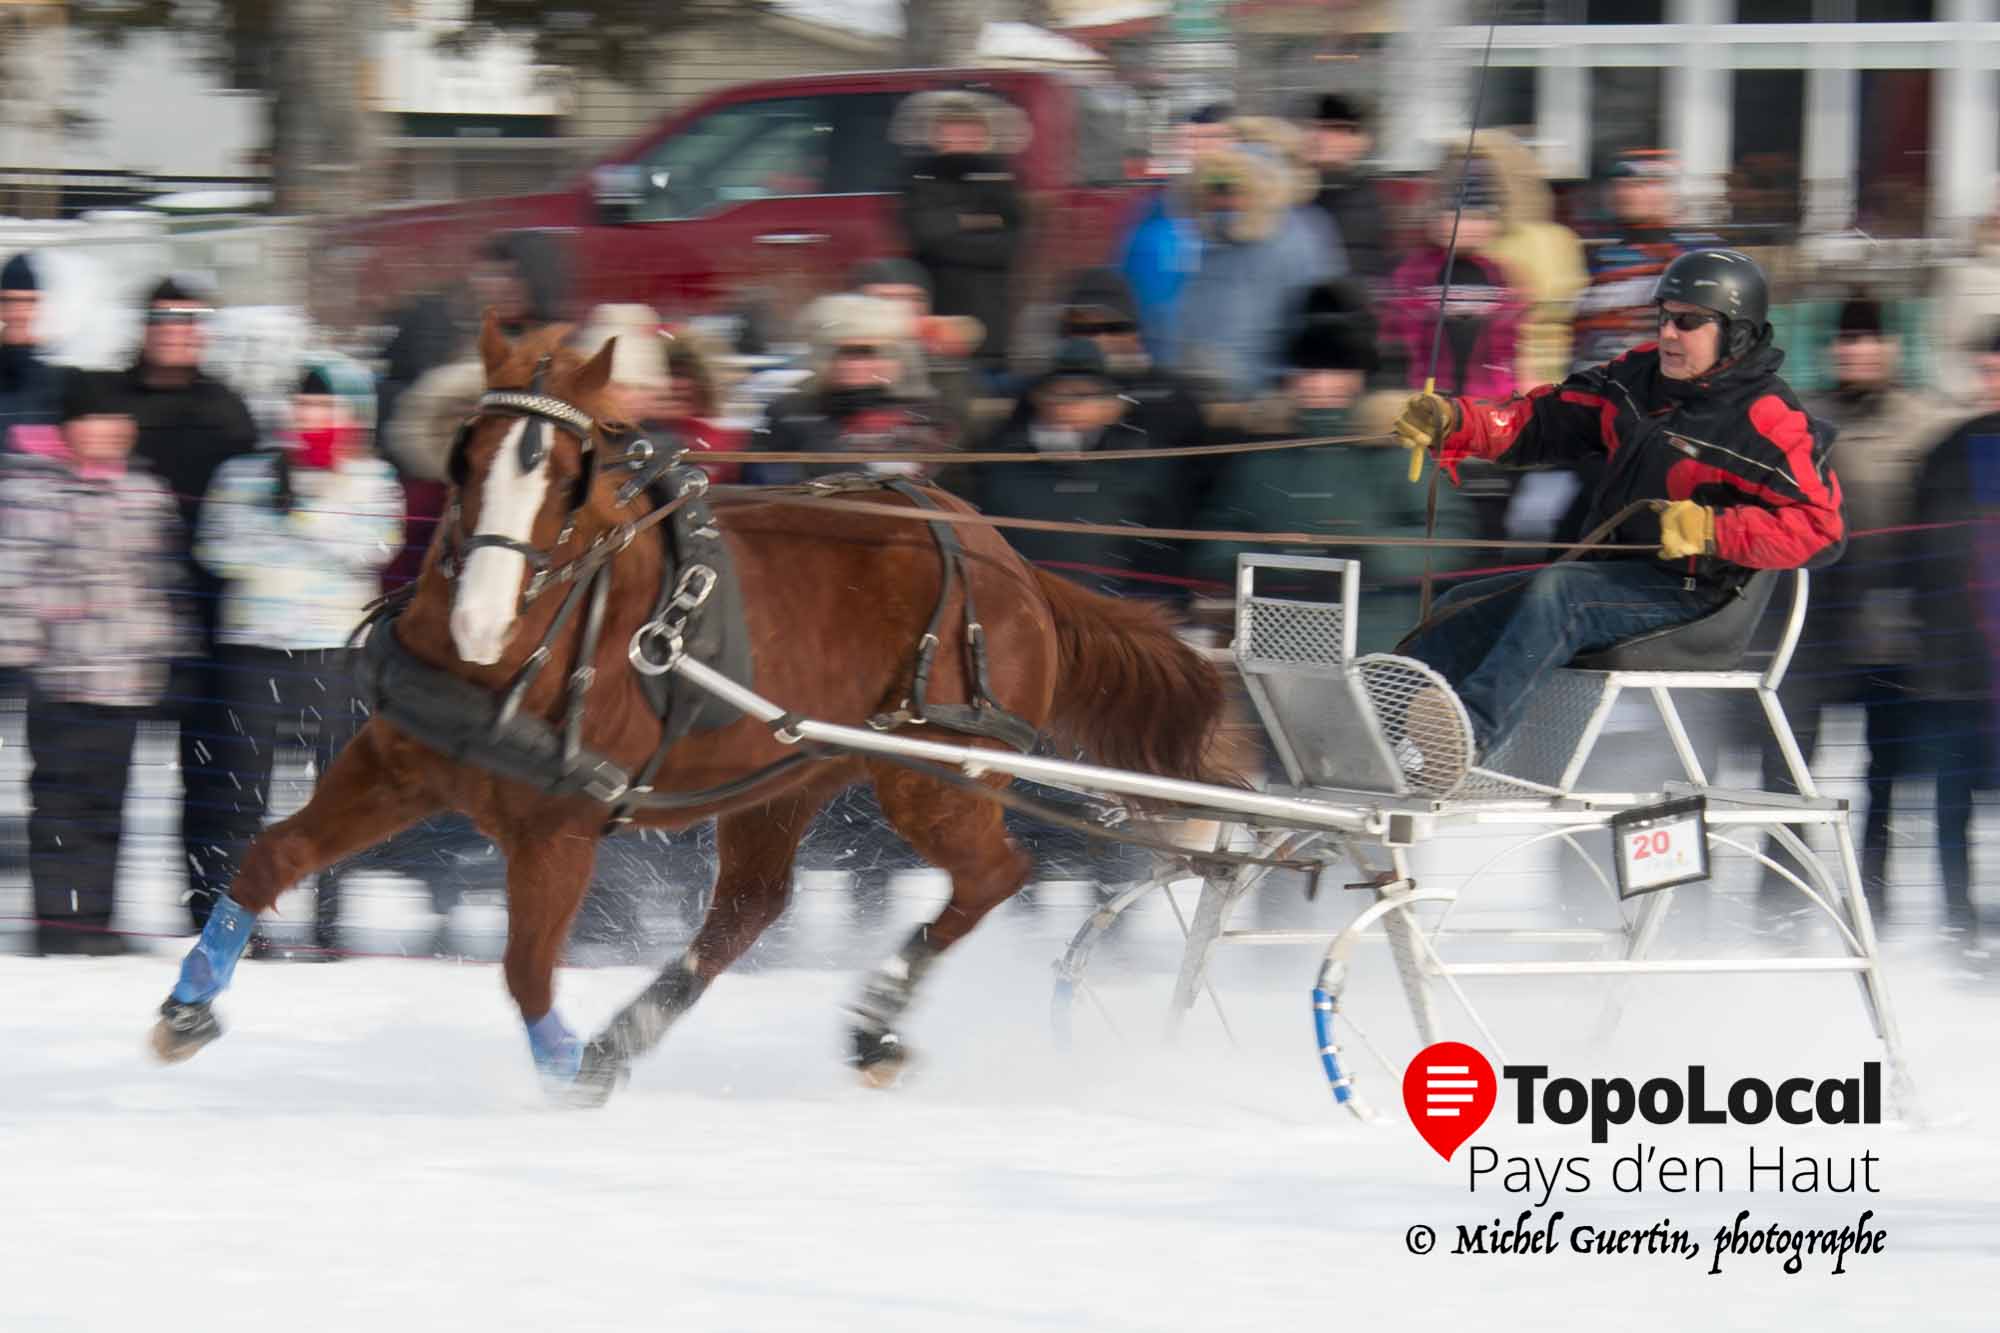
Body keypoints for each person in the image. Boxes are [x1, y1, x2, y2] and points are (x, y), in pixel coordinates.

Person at [1388, 249, 1845, 785]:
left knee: (1561, 593)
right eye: (1665, 316)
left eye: (1688, 321)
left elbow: (1821, 529)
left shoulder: (1768, 419)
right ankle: (1377, 724)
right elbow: (1544, 419)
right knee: (1462, 606)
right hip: (1614, 578)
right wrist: (1458, 421)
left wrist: (1712, 530)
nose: (1669, 333)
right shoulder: (1637, 379)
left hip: (1698, 597)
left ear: (1736, 333)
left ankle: (1466, 740)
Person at [194, 354, 404, 960]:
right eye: (302, 405)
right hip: (254, 650)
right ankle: (239, 922)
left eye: (325, 407)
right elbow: (218, 548)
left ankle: (329, 925)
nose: (310, 418)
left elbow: (373, 546)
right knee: (243, 795)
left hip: (334, 654)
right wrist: (279, 523)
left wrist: (300, 514)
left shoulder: (373, 479)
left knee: (335, 795)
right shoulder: (243, 474)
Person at [1756, 295, 1954, 903]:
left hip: (1896, 636)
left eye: (1870, 339)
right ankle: (1782, 898)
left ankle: (1874, 899)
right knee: (1787, 774)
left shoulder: (1927, 423)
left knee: (1887, 778)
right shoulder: (1804, 420)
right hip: (1811, 632)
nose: (1859, 351)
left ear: (1892, 348)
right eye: (1847, 340)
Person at [0, 370, 188, 955]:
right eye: (97, 420)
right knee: (58, 805)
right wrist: (27, 649)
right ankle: (55, 925)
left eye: (118, 422)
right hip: (61, 679)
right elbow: (13, 577)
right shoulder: (31, 490)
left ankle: (99, 922)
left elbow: (162, 581)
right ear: (70, 428)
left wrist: (162, 646)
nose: (111, 432)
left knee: (113, 805)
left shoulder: (145, 492)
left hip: (125, 680)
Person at [1192, 282, 1477, 653]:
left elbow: (1451, 537)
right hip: (1278, 645)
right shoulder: (1262, 454)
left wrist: (1363, 554)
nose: (1319, 383)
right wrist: (1264, 556)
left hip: (1378, 644)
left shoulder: (1395, 448)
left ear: (1358, 376)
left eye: (1334, 370)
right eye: (1308, 371)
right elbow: (1212, 544)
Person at [124, 275, 261, 930]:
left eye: (189, 322)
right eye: (164, 320)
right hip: (126, 612)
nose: (176, 332)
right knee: (105, 771)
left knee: (210, 775)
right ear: (146, 328)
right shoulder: (113, 402)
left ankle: (207, 905)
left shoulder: (228, 408)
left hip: (209, 617)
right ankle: (85, 919)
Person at [956, 337, 1193, 602]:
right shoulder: (999, 463)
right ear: (1038, 398)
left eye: (1086, 394)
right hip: (1018, 610)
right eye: (1060, 393)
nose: (1070, 405)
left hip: (1111, 617)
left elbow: (1162, 557)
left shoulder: (1143, 467)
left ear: (1114, 406)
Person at [1906, 326, 2000, 937]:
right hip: (1956, 669)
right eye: (1988, 371)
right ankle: (1959, 924)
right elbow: (1918, 555)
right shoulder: (1948, 451)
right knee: (1952, 807)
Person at [1171, 141, 1341, 398]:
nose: (1221, 201)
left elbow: (1318, 317)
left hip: (1266, 395)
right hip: (1208, 393)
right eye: (1213, 192)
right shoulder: (1214, 241)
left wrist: (1292, 382)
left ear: (1256, 191)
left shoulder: (1296, 239)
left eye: (1229, 191)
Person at [744, 293, 946, 486]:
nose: (854, 364)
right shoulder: (789, 415)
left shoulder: (920, 417)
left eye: (868, 352)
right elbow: (765, 485)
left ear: (897, 358)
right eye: (843, 352)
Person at [895, 90, 1026, 373]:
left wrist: (951, 227)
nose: (964, 140)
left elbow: (1009, 247)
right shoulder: (921, 179)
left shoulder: (1000, 180)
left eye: (971, 133)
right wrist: (977, 223)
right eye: (954, 132)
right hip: (939, 307)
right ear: (936, 138)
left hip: (989, 314)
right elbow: (925, 236)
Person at [1571, 150, 1718, 373]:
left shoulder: (1698, 253)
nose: (1626, 191)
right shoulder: (1600, 253)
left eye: (1644, 182)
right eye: (1620, 183)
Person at [1119, 102, 1235, 360]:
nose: (1200, 147)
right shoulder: (1153, 214)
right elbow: (1129, 285)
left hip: (1229, 367)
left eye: (1212, 138)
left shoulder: (1251, 217)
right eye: (1192, 138)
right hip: (1166, 361)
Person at [1306, 94, 1391, 286]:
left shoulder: (1367, 200)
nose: (1320, 137)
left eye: (1334, 129)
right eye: (1318, 128)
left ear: (1359, 142)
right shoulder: (1299, 193)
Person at [0, 252, 59, 453]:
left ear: (38, 306)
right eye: (9, 301)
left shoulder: (55, 377)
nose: (18, 312)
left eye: (27, 301)